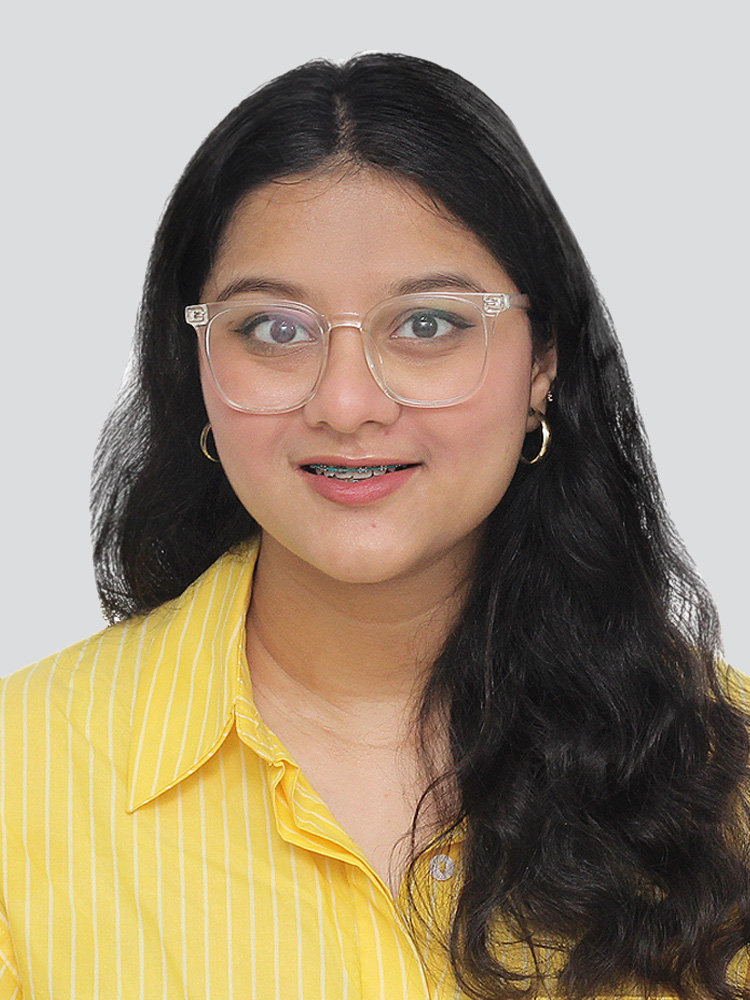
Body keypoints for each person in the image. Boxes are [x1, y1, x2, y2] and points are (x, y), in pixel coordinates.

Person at [0, 53, 747, 1000]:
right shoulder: (19, 777)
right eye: (274, 329)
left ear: (543, 362)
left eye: (428, 324)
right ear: (195, 365)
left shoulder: (728, 774)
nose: (348, 404)